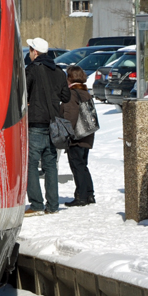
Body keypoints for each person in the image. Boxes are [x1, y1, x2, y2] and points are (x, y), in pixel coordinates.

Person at [24, 37, 71, 216]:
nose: (29, 54)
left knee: (31, 164)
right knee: (50, 165)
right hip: (53, 124)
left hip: (35, 123)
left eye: (30, 50)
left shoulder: (31, 69)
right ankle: (52, 205)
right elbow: (66, 97)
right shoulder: (58, 71)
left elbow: (23, 93)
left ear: (35, 52)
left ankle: (36, 204)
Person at [61, 65, 95, 207]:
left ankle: (81, 196)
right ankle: (89, 194)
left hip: (76, 136)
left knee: (77, 166)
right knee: (83, 165)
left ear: (70, 78)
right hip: (87, 134)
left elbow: (70, 115)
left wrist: (67, 133)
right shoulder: (85, 92)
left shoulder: (72, 94)